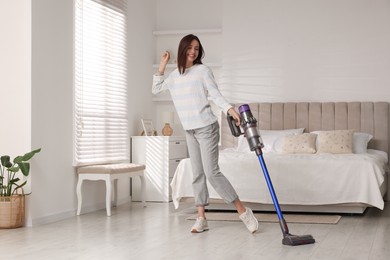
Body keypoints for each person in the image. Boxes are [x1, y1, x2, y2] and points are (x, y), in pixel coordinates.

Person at [152, 34, 258, 234]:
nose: (193, 51)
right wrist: (163, 64)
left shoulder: (203, 71)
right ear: (183, 49)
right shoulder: (175, 77)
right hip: (189, 130)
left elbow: (215, 94)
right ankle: (201, 218)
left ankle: (243, 211)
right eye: (190, 48)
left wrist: (229, 109)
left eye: (197, 48)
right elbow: (156, 88)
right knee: (197, 174)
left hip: (207, 127)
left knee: (212, 173)